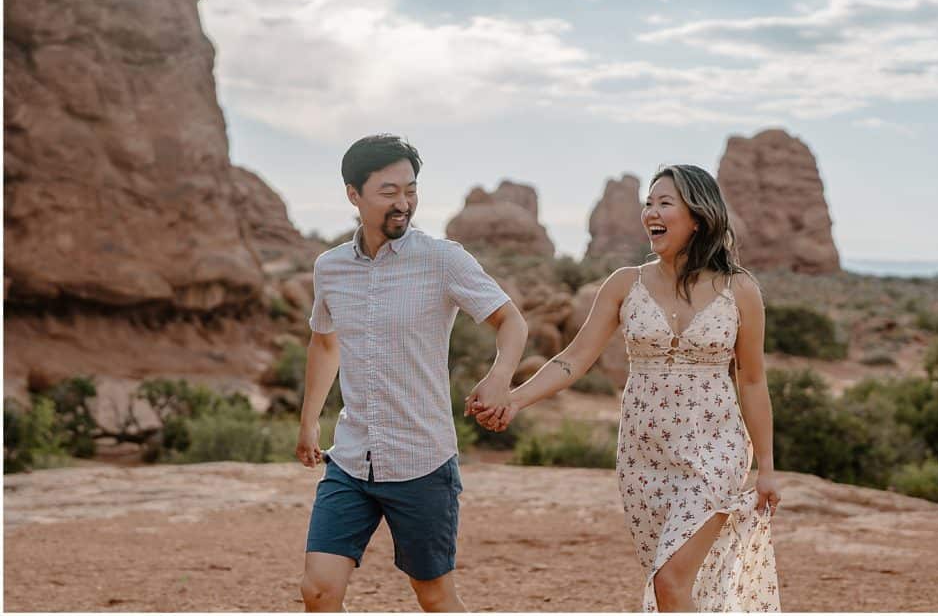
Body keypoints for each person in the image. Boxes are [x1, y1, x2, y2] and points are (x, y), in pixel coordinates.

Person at [471, 164, 782, 612]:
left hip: (717, 450)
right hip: (644, 456)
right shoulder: (624, 284)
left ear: (698, 216)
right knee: (670, 584)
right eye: (648, 203)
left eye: (664, 203)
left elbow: (752, 380)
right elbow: (573, 360)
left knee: (670, 582)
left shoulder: (740, 289)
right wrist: (515, 399)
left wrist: (767, 466)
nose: (650, 212)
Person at [296, 134, 528, 612]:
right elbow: (324, 341)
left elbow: (511, 320)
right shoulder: (330, 268)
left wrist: (500, 375)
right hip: (352, 458)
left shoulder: (443, 259)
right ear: (353, 194)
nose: (403, 204)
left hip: (422, 461)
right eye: (389, 192)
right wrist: (308, 420)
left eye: (411, 190)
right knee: (318, 589)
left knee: (435, 597)